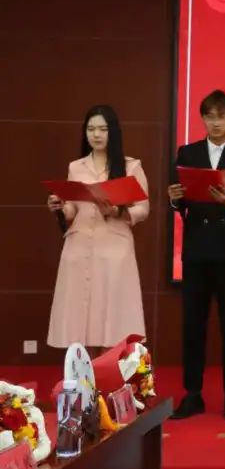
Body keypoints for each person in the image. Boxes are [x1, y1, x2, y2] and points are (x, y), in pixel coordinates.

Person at [168, 90, 225, 421]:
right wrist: (175, 198)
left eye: (221, 116)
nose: (215, 122)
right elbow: (180, 200)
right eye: (209, 116)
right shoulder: (188, 153)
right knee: (193, 323)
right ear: (203, 119)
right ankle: (192, 393)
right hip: (196, 249)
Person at [46, 105, 148, 350]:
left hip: (114, 248)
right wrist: (60, 205)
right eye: (91, 129)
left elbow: (143, 209)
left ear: (113, 131)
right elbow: (72, 208)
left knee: (112, 317)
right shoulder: (76, 166)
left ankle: (109, 370)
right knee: (79, 315)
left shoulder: (130, 166)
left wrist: (117, 211)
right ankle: (84, 371)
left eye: (103, 129)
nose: (96, 134)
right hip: (79, 246)